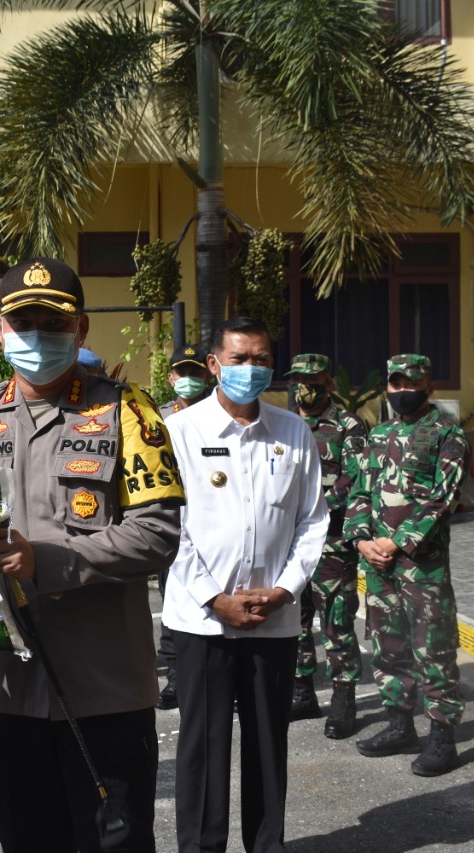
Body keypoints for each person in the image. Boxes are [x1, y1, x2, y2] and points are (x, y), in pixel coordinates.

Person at [0, 257, 184, 853]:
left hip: (106, 694)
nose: (37, 337)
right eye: (24, 324)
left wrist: (45, 562)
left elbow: (160, 531)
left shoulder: (131, 413)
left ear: (82, 329)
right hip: (10, 694)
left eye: (54, 323)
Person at [162, 317, 328, 853]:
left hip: (274, 619)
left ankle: (266, 845)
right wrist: (216, 599)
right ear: (214, 365)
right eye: (238, 359)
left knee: (267, 744)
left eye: (260, 359)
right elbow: (169, 527)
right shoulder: (180, 432)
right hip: (201, 619)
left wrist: (284, 590)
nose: (250, 370)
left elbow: (312, 520)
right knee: (203, 751)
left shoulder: (293, 431)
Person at [345, 353, 467, 777]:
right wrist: (361, 539)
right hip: (379, 565)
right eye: (394, 384)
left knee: (433, 649)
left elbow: (443, 498)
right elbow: (359, 490)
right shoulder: (378, 434)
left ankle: (442, 738)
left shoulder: (446, 433)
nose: (401, 391)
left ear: (428, 384)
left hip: (422, 566)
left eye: (409, 384)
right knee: (386, 645)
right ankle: (400, 725)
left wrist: (396, 542)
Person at [284, 353, 367, 738]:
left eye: (312, 379)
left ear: (328, 383)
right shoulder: (284, 425)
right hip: (287, 542)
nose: (304, 386)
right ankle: (302, 691)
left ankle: (343, 698)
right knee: (294, 620)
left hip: (332, 541)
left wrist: (311, 507)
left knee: (336, 622)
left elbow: (356, 480)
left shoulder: (348, 426)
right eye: (297, 379)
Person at [155, 342, 211, 712]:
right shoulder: (156, 419)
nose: (188, 379)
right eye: (182, 372)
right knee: (172, 599)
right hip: (172, 523)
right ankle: (176, 676)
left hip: (210, 523)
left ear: (207, 375)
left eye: (195, 372)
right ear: (171, 376)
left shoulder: (218, 414)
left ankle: (211, 675)